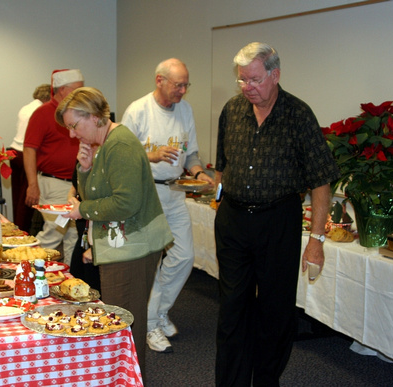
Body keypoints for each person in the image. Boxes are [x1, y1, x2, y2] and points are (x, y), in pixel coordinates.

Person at [213, 42, 340, 387]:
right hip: (234, 221)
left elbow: (321, 181)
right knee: (232, 310)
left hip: (278, 221)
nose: (247, 88)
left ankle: (266, 380)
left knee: (275, 311)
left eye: (254, 80)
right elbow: (223, 166)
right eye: (242, 81)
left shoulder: (298, 115)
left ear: (275, 74)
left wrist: (316, 242)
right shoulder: (232, 110)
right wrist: (220, 197)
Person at [57, 87, 173, 381]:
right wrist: (84, 169)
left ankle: (130, 379)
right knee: (121, 324)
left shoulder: (119, 145)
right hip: (121, 246)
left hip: (132, 248)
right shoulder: (105, 143)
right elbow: (96, 192)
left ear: (95, 117)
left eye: (74, 125)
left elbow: (126, 203)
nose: (72, 134)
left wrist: (83, 210)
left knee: (125, 328)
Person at [122, 58, 214, 353]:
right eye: (178, 85)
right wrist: (150, 154)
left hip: (175, 191)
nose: (183, 91)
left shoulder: (185, 110)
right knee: (150, 262)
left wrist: (199, 173)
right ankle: (149, 324)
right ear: (159, 80)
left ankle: (157, 313)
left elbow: (192, 153)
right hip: (146, 193)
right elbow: (120, 155)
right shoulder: (138, 110)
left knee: (184, 257)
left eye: (187, 85)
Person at [23, 69, 84, 265]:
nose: (82, 93)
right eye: (78, 89)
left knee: (74, 236)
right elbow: (29, 149)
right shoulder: (42, 113)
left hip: (74, 184)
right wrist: (32, 184)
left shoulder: (77, 113)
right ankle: (27, 268)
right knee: (53, 233)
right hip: (53, 183)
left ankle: (67, 277)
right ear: (63, 90)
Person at [8, 83, 50, 233]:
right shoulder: (40, 110)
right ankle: (24, 231)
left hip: (14, 153)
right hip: (25, 153)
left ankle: (18, 228)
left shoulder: (25, 108)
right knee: (29, 198)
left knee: (18, 197)